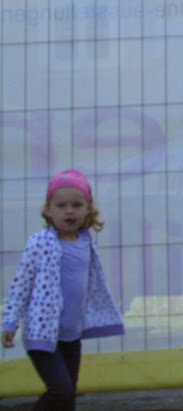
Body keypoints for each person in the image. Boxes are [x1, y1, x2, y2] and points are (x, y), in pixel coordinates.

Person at [3, 170, 125, 411]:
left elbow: (93, 282)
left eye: (76, 205)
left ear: (88, 209)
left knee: (68, 397)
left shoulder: (86, 241)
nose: (69, 211)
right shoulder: (39, 242)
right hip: (43, 334)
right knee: (61, 390)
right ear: (49, 210)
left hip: (72, 334)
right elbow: (21, 285)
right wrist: (10, 322)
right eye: (61, 205)